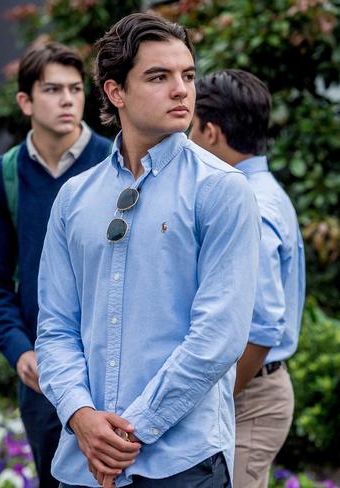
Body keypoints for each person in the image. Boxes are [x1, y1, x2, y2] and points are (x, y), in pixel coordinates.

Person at [35, 13, 261, 488]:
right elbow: (55, 327)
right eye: (159, 77)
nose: (181, 90)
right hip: (85, 462)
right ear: (116, 92)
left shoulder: (222, 189)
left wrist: (129, 432)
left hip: (182, 463)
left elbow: (218, 336)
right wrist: (81, 416)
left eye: (188, 76)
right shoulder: (75, 198)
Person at [0, 42, 111, 486]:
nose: (68, 99)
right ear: (26, 101)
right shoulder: (2, 177)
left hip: (113, 370)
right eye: (53, 89)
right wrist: (20, 352)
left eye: (75, 89)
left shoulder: (115, 162)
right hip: (42, 378)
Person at [190, 69, 305, 488]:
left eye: (191, 127)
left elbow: (262, 327)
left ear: (211, 131)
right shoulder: (261, 190)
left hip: (248, 394)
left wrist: (212, 397)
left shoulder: (252, 203)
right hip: (249, 387)